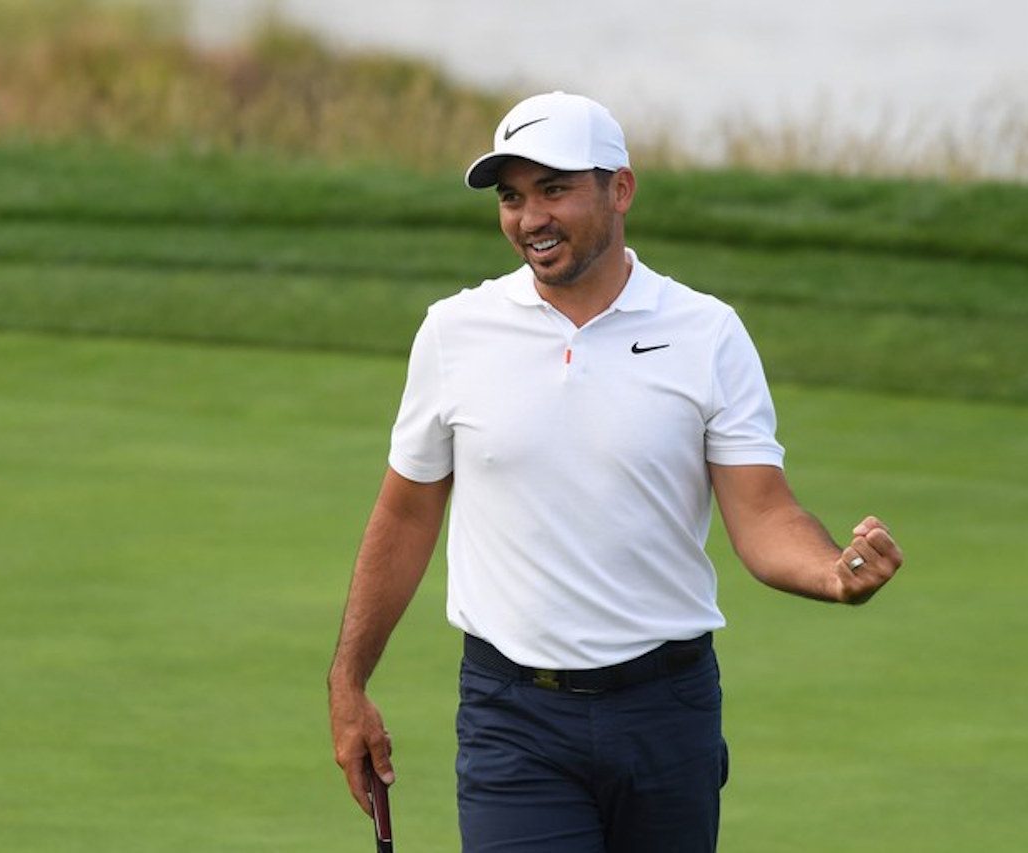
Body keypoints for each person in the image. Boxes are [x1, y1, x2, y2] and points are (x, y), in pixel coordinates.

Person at [327, 91, 904, 852]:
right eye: (512, 196)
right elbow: (405, 515)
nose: (530, 217)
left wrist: (832, 571)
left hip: (667, 711)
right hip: (514, 715)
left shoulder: (706, 333)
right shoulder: (455, 333)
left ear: (620, 189)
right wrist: (350, 680)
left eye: (554, 190)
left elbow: (763, 515)